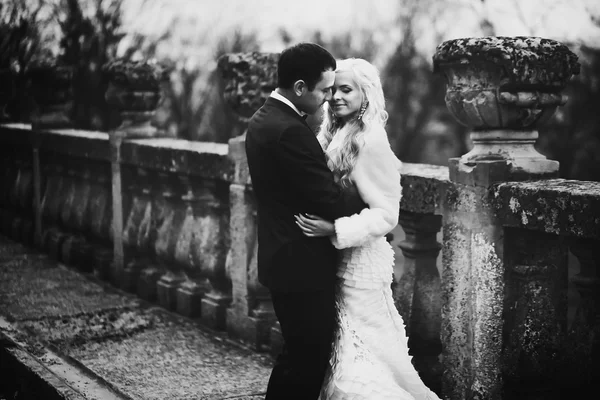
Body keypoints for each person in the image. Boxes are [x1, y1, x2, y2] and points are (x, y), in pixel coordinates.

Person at [295, 58, 441, 400]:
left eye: (347, 90)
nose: (336, 98)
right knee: (349, 352)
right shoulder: (334, 133)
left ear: (367, 94)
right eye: (333, 90)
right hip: (340, 261)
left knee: (366, 357)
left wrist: (335, 228)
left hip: (363, 265)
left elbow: (386, 214)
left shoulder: (371, 139)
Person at [245, 43, 367, 400]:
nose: (329, 98)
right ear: (300, 88)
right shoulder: (289, 130)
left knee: (295, 355)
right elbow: (327, 198)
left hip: (282, 257)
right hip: (301, 265)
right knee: (306, 360)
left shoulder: (263, 118)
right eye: (324, 89)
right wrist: (368, 193)